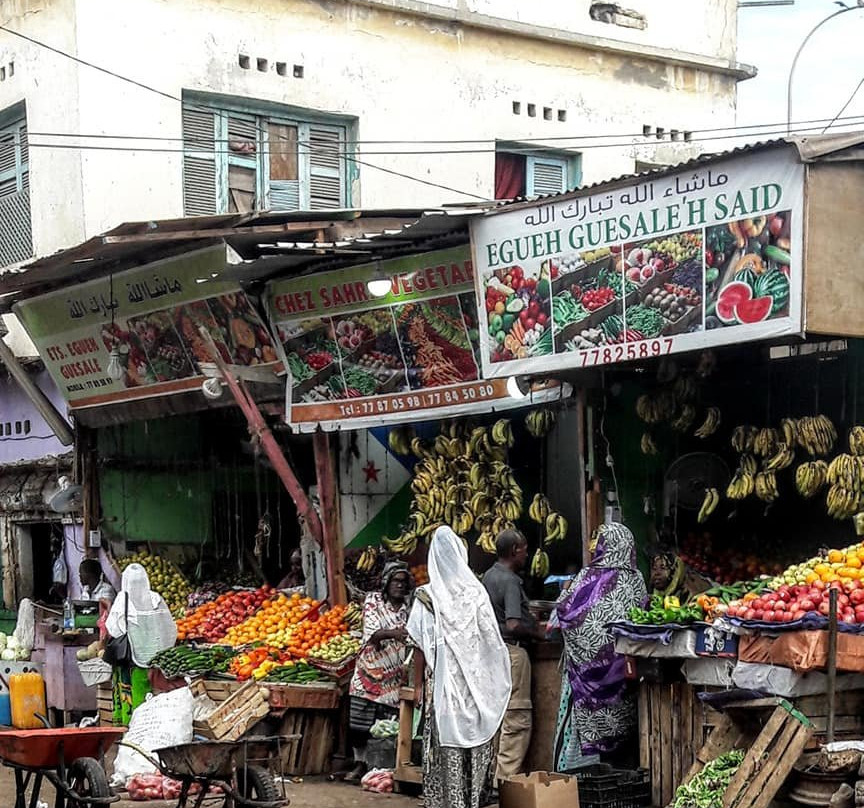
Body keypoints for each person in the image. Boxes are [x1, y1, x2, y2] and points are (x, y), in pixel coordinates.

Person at [408, 526, 511, 808]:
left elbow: (418, 644)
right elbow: (492, 642)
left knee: (445, 747)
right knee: (476, 745)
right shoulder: (475, 594)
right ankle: (472, 801)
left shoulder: (425, 597)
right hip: (475, 690)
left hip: (443, 691)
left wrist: (418, 686)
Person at [553, 523, 648, 772]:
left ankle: (580, 782)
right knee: (624, 732)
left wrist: (564, 593)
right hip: (624, 674)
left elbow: (567, 613)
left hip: (590, 678)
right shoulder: (637, 579)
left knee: (582, 735)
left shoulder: (588, 578)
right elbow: (642, 617)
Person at [482, 529, 544, 782]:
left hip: (493, 652)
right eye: (525, 549)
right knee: (517, 717)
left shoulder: (488, 576)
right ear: (514, 551)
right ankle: (505, 781)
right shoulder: (509, 581)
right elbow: (513, 624)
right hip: (512, 653)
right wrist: (540, 632)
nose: (527, 554)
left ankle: (493, 777)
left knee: (499, 715)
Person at [346, 561, 414, 782]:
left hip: (394, 678)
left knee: (385, 727)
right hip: (369, 674)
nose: (400, 586)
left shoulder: (409, 607)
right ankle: (359, 763)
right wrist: (397, 633)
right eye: (396, 581)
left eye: (404, 583)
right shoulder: (373, 601)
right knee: (359, 725)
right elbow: (373, 634)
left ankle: (379, 767)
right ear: (386, 582)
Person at [105, 563, 177, 725]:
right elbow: (170, 628)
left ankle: (130, 728)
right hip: (155, 659)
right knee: (148, 693)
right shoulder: (155, 599)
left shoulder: (123, 600)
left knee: (129, 693)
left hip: (129, 660)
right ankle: (148, 726)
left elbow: (114, 629)